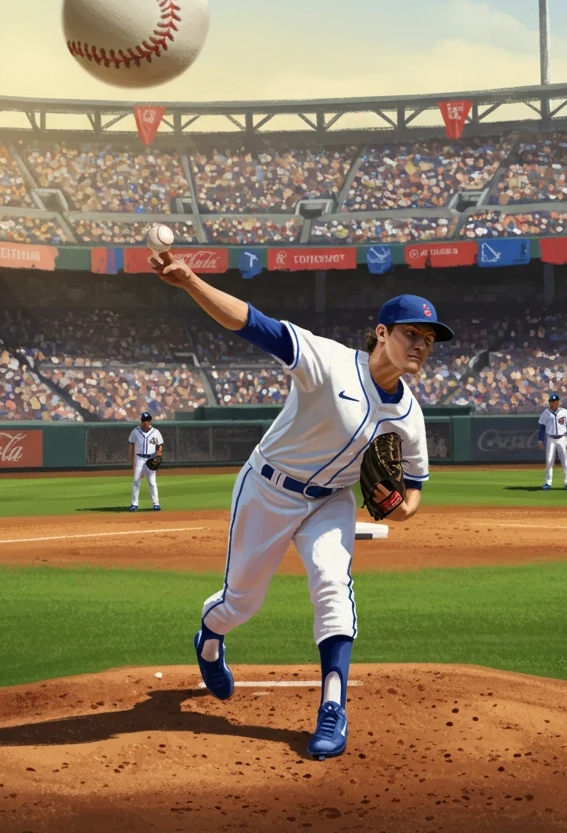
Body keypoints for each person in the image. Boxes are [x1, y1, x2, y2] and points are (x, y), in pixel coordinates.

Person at [151, 249, 452, 760]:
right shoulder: (329, 361)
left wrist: (398, 507)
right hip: (267, 488)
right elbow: (253, 324)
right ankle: (209, 636)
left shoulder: (409, 416)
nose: (420, 346)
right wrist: (191, 283)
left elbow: (415, 492)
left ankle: (332, 709)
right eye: (410, 334)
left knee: (332, 584)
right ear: (381, 332)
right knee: (240, 603)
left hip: (331, 501)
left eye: (427, 341)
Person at [127, 411, 164, 511]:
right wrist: (132, 461)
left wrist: (159, 454)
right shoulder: (135, 431)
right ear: (141, 421)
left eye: (147, 421)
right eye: (143, 421)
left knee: (152, 482)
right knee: (136, 481)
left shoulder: (156, 432)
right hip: (139, 458)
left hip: (151, 458)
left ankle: (156, 504)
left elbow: (159, 445)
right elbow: (131, 445)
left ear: (150, 421)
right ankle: (134, 504)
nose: (145, 423)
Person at [538, 392, 567, 490]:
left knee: (565, 462)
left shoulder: (564, 412)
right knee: (549, 461)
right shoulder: (546, 413)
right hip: (551, 439)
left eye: (556, 401)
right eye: (552, 401)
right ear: (549, 402)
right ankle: (548, 482)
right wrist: (540, 440)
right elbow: (542, 427)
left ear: (558, 402)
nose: (554, 403)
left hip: (562, 439)